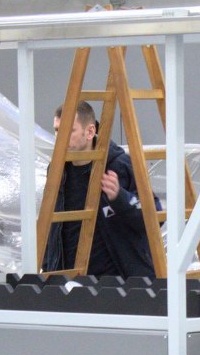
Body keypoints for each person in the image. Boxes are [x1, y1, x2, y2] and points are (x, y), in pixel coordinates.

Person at [42, 100, 155, 278]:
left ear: (90, 132)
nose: (59, 138)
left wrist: (120, 197)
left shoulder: (118, 166)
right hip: (69, 281)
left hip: (118, 282)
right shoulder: (57, 170)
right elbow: (52, 225)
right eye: (57, 130)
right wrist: (48, 268)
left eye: (68, 131)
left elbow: (154, 217)